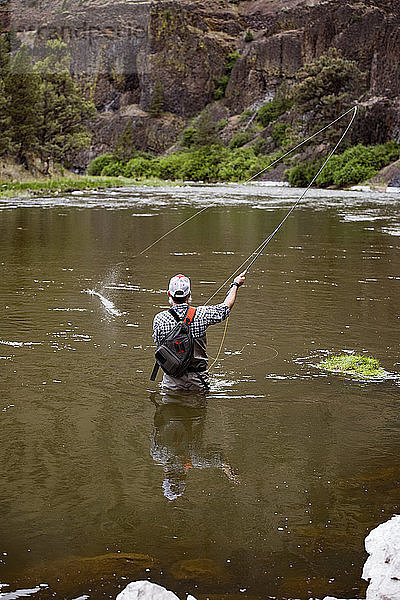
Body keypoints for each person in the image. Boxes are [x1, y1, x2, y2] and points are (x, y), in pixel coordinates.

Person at [152, 272, 246, 392]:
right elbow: (226, 307)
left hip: (171, 382)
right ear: (189, 294)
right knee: (198, 408)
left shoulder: (160, 319)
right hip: (198, 382)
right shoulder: (201, 314)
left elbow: (159, 345)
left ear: (169, 294)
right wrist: (235, 285)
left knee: (170, 408)